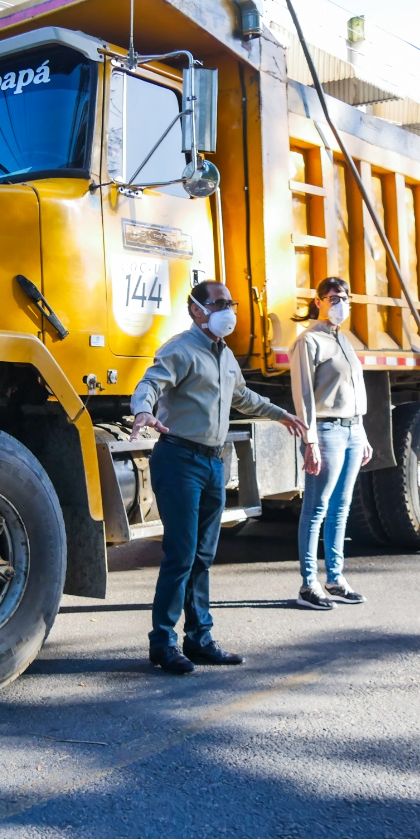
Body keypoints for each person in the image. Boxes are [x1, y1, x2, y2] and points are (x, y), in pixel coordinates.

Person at [130, 281, 308, 674]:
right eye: (219, 304)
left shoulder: (225, 354)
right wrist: (143, 410)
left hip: (213, 463)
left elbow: (242, 397)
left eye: (231, 304)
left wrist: (282, 415)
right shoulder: (180, 349)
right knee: (181, 553)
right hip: (179, 460)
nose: (229, 310)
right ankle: (163, 643)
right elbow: (150, 383)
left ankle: (200, 639)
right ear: (196, 310)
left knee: (204, 556)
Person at [288, 277, 372, 610]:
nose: (341, 303)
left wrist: (362, 433)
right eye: (334, 297)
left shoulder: (344, 341)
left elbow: (355, 391)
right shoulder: (309, 341)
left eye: (345, 298)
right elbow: (304, 395)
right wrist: (310, 440)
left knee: (341, 508)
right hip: (326, 431)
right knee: (316, 508)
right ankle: (309, 584)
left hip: (352, 431)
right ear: (319, 301)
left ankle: (336, 579)